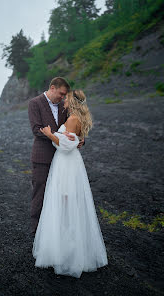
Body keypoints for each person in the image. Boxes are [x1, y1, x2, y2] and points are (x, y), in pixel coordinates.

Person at [32, 89, 108, 278]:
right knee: (66, 204)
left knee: (65, 204)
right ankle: (66, 248)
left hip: (66, 165)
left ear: (72, 102)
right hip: (67, 164)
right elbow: (72, 142)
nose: (63, 100)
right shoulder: (75, 118)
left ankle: (68, 252)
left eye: (66, 98)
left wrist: (50, 134)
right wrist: (74, 141)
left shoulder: (73, 119)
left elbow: (65, 146)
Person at [28, 77, 85, 237]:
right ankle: (36, 233)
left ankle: (58, 233)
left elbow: (73, 127)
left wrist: (79, 140)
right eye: (61, 94)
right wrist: (60, 138)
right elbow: (36, 129)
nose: (62, 97)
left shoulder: (64, 105)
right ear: (52, 88)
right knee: (40, 193)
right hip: (42, 157)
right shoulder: (35, 103)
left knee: (63, 195)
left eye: (64, 95)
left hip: (64, 159)